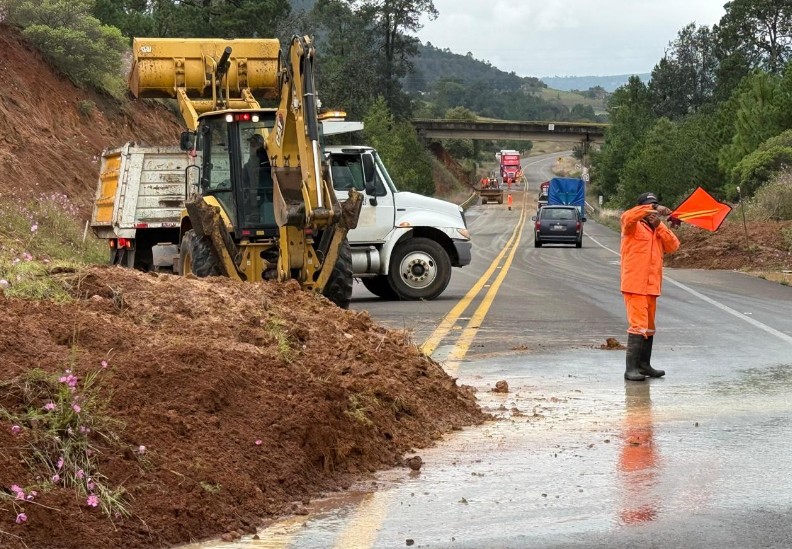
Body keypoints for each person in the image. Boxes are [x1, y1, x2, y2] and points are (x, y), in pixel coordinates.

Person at [620, 192, 680, 381]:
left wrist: (659, 225)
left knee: (649, 328)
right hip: (635, 285)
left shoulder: (657, 229)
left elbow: (674, 246)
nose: (653, 210)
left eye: (655, 205)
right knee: (638, 326)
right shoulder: (632, 226)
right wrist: (652, 208)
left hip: (652, 287)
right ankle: (630, 369)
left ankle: (644, 365)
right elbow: (628, 216)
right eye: (649, 206)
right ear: (642, 208)